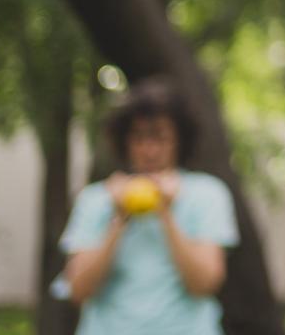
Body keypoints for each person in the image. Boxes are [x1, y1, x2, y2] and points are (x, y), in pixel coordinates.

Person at [59, 77, 239, 334]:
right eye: (140, 137)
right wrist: (119, 217)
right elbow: (78, 289)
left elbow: (204, 283)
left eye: (160, 137)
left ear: (179, 140)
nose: (150, 150)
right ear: (125, 141)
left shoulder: (207, 194)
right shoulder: (96, 199)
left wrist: (165, 212)